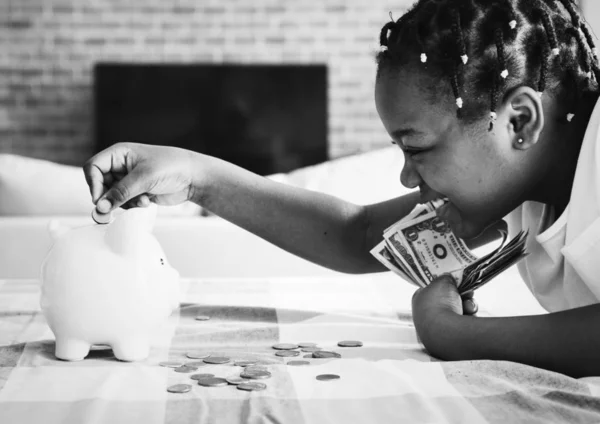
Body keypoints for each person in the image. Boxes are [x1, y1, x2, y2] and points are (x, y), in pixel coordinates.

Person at [84, 0, 600, 378]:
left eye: (416, 148)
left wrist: (455, 336)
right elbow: (360, 235)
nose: (406, 176)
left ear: (520, 122)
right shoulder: (519, 179)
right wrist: (196, 175)